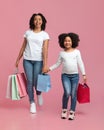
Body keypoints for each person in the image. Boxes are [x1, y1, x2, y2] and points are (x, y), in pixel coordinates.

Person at [15, 13, 50, 114]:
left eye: (39, 19)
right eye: (35, 19)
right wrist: (18, 59)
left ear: (42, 21)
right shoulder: (28, 33)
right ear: (32, 21)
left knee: (36, 81)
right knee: (30, 82)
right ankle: (32, 103)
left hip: (39, 61)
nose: (37, 21)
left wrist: (45, 64)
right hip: (27, 60)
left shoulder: (45, 35)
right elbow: (23, 46)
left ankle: (39, 93)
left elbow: (45, 50)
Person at [48, 32, 87, 120]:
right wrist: (49, 69)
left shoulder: (77, 52)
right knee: (67, 92)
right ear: (62, 42)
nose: (67, 42)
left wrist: (84, 74)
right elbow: (57, 64)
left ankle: (72, 111)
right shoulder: (62, 53)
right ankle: (64, 109)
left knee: (73, 94)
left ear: (73, 41)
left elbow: (80, 63)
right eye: (65, 41)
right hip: (65, 76)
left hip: (75, 76)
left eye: (69, 41)